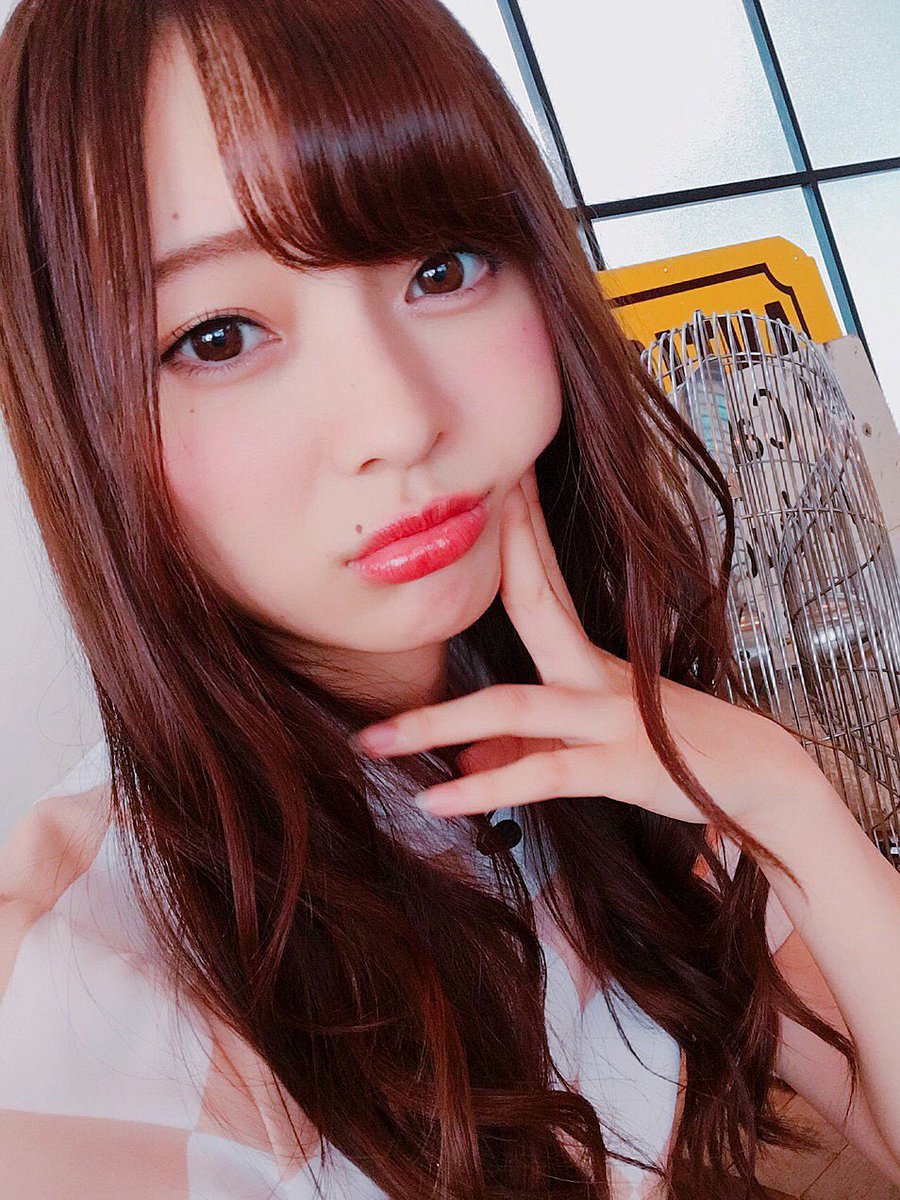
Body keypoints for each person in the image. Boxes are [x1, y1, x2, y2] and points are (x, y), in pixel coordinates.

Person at [0, 2, 898, 1198]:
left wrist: (788, 803)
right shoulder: (74, 1000)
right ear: (79, 414)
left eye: (442, 268)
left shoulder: (605, 733)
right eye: (218, 337)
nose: (400, 418)